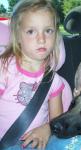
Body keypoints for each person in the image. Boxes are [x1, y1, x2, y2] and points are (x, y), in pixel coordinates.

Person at [0, 0, 64, 149]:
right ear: (18, 36)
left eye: (48, 31)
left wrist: (48, 129)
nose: (41, 39)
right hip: (7, 143)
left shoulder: (54, 81)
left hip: (40, 144)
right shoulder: (4, 69)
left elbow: (57, 121)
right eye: (31, 31)